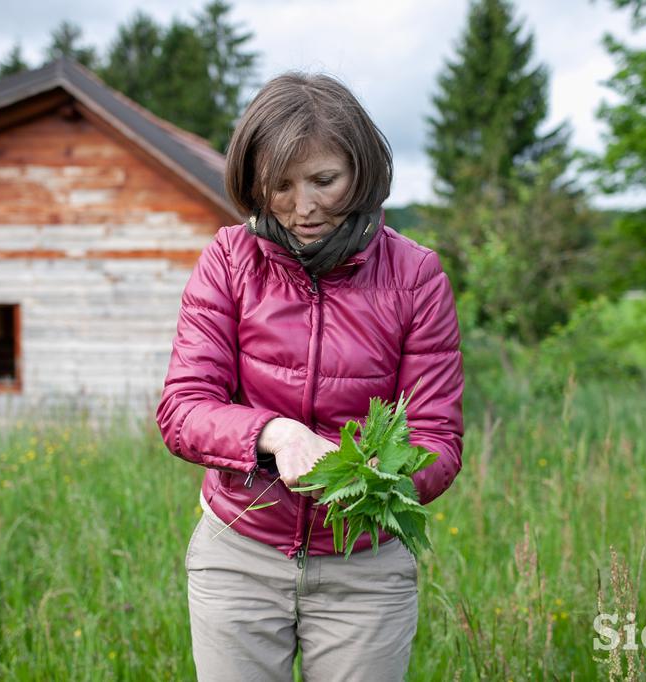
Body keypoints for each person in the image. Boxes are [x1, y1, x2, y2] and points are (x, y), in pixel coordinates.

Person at [156, 72, 464, 682]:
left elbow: (437, 437)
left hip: (364, 567)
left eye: (325, 181)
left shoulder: (416, 276)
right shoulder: (229, 260)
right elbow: (184, 408)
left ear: (363, 170)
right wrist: (276, 433)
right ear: (254, 184)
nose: (304, 207)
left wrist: (386, 479)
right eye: (281, 186)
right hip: (238, 559)